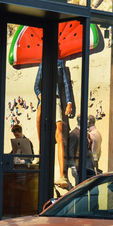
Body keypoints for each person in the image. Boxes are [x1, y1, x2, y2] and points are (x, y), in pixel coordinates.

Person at [35, 59, 74, 188]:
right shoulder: (43, 63)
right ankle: (41, 154)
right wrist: (41, 96)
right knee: (40, 118)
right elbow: (36, 85)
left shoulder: (60, 63)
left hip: (56, 99)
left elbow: (66, 84)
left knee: (60, 132)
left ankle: (63, 174)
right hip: (45, 100)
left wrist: (69, 102)